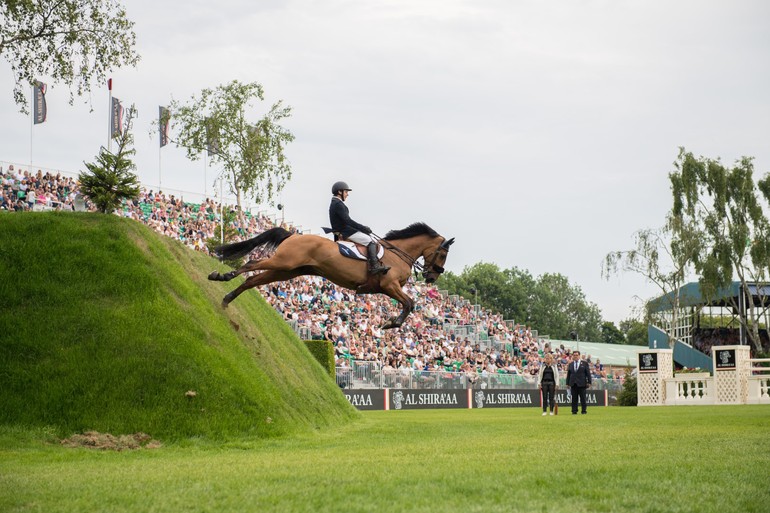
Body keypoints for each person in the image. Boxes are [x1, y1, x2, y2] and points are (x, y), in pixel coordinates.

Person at [328, 181, 389, 275]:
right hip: (345, 231)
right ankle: (374, 266)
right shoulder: (338, 204)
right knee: (371, 241)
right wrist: (363, 228)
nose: (347, 194)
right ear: (340, 192)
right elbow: (348, 221)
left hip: (343, 230)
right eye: (346, 192)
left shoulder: (335, 202)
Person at [566, 350, 591, 414]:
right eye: (574, 355)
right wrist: (567, 383)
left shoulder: (584, 363)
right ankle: (574, 411)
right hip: (573, 383)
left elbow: (588, 373)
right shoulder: (571, 364)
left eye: (577, 355)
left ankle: (584, 411)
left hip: (582, 383)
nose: (575, 356)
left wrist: (589, 382)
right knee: (574, 398)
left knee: (583, 398)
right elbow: (569, 374)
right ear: (572, 356)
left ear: (579, 356)